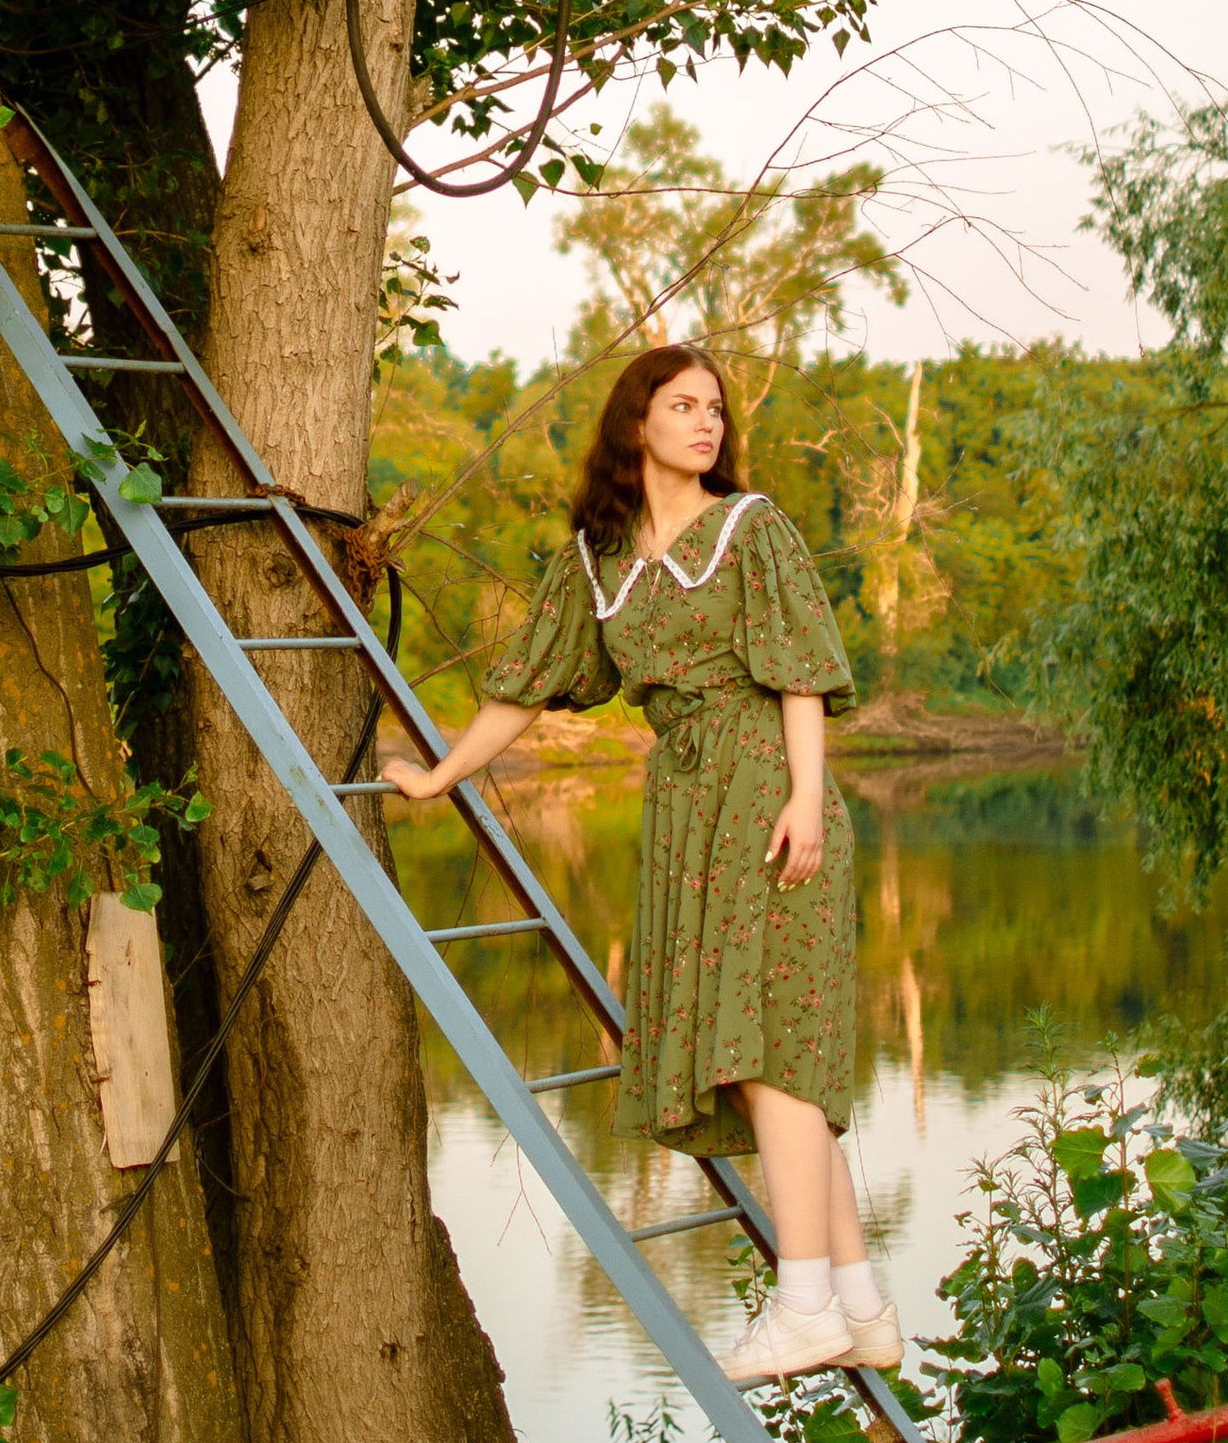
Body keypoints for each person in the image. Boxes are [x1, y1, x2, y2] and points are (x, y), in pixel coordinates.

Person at [383, 342, 897, 1386]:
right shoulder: (599, 560)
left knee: (771, 1049)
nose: (706, 424)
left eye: (715, 409)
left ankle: (802, 1302)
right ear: (637, 425)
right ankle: (858, 1303)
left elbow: (799, 673)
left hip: (764, 792)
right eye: (682, 405)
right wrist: (443, 776)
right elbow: (527, 682)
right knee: (764, 1055)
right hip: (683, 807)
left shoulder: (752, 529)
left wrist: (805, 796)